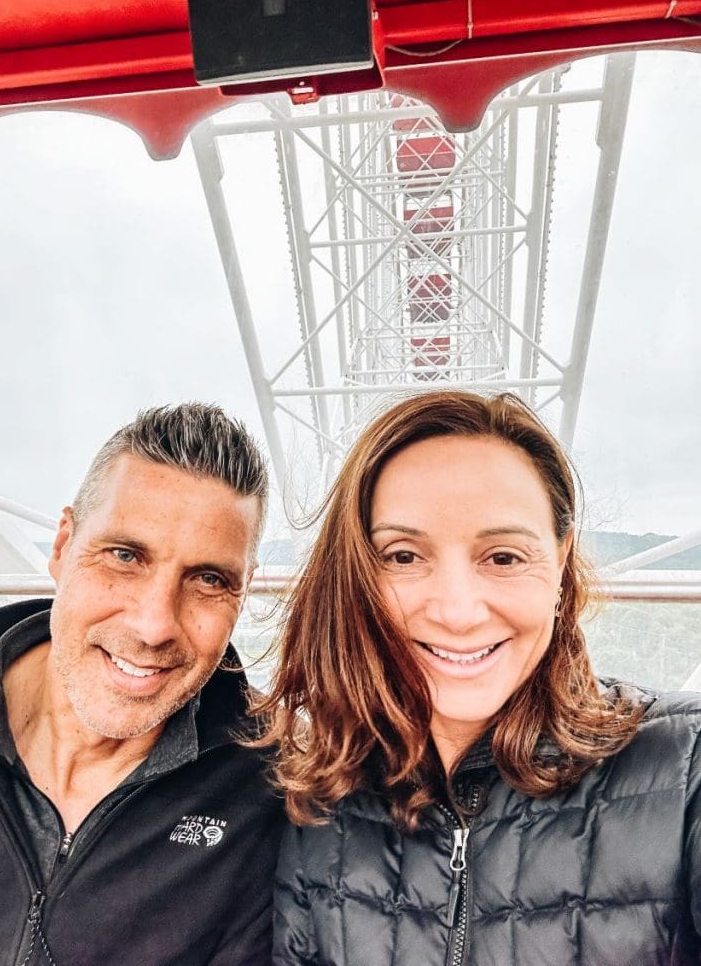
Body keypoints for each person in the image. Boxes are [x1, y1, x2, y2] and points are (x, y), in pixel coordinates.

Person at [263, 390, 701, 966]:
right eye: (402, 556)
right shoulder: (317, 797)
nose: (457, 611)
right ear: (355, 575)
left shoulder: (684, 766)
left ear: (562, 563)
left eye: (504, 557)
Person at [0, 404, 284, 966]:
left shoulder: (273, 786)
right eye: (125, 555)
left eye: (209, 579)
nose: (154, 625)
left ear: (242, 594)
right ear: (63, 545)